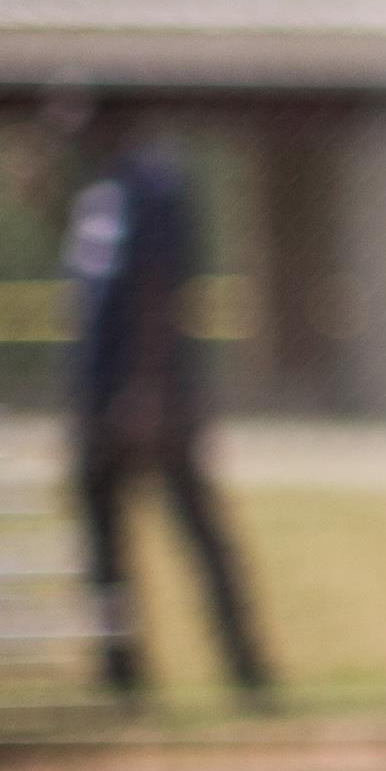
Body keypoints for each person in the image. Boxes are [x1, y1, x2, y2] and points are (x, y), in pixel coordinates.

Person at [52, 89, 272, 709]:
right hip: (96, 398)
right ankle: (121, 674)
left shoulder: (153, 183)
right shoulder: (94, 190)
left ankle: (247, 670)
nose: (65, 125)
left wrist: (147, 390)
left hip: (151, 397)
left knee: (198, 536)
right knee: (102, 543)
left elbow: (158, 290)